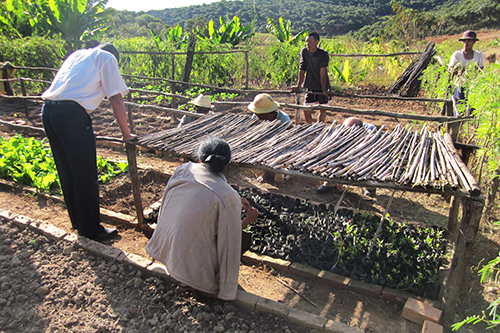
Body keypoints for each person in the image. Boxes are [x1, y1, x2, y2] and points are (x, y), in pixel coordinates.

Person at [145, 137, 259, 301]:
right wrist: (248, 220)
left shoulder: (183, 170)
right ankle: (195, 281)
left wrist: (234, 201)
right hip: (193, 265)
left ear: (199, 159)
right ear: (226, 166)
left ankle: (179, 272)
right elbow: (229, 243)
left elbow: (168, 206)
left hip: (166, 249)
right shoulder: (228, 195)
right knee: (243, 240)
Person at [41, 43, 132, 241]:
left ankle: (79, 223)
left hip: (49, 112)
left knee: (67, 171)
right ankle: (91, 230)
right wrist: (127, 136)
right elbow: (116, 100)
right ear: (115, 58)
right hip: (70, 116)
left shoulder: (78, 55)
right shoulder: (107, 59)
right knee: (85, 174)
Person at [317, 117, 376, 197]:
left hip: (363, 157)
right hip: (344, 155)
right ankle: (330, 183)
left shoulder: (370, 134)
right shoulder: (339, 133)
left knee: (369, 164)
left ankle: (370, 187)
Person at [248, 93, 290, 184]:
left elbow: (286, 141)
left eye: (262, 115)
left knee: (279, 170)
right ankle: (262, 174)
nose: (259, 117)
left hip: (280, 147)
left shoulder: (284, 119)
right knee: (250, 160)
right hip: (262, 144)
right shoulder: (256, 116)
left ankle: (279, 179)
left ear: (270, 113)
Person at [290, 32, 331, 124]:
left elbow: (323, 71)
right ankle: (310, 127)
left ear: (317, 42)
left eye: (310, 42)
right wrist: (298, 86)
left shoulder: (323, 54)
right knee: (306, 109)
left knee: (323, 109)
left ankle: (319, 127)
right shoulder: (304, 52)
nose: (307, 44)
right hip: (310, 83)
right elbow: (302, 69)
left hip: (321, 84)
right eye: (306, 42)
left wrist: (324, 89)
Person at [448, 30, 484, 110]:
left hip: (474, 86)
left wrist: (465, 70)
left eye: (469, 41)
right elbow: (452, 70)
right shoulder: (457, 55)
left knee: (472, 110)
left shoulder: (479, 55)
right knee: (460, 108)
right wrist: (465, 70)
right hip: (460, 85)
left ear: (474, 42)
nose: (466, 43)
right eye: (464, 41)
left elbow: (480, 70)